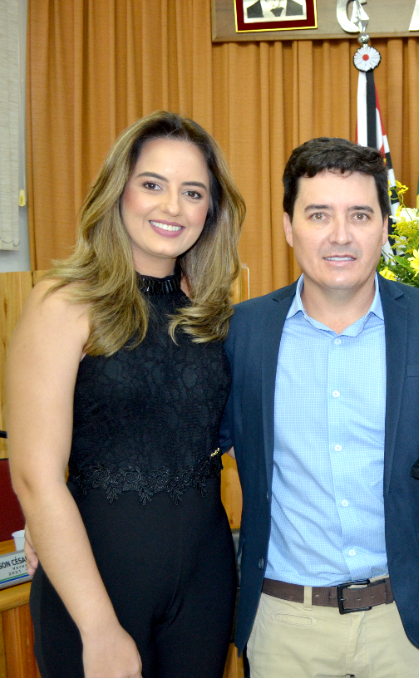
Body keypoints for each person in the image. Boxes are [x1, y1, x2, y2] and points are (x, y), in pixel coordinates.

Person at [220, 137, 419, 678]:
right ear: (288, 226)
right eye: (318, 215)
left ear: (385, 226)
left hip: (407, 625)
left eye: (360, 214)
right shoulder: (243, 332)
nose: (340, 235)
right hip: (286, 626)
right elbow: (184, 453)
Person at [7, 111, 244, 678]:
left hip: (205, 587)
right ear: (119, 191)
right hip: (95, 590)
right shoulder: (63, 301)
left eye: (193, 192)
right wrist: (98, 626)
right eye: (152, 185)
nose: (172, 207)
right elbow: (35, 477)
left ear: (210, 211)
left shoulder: (212, 312)